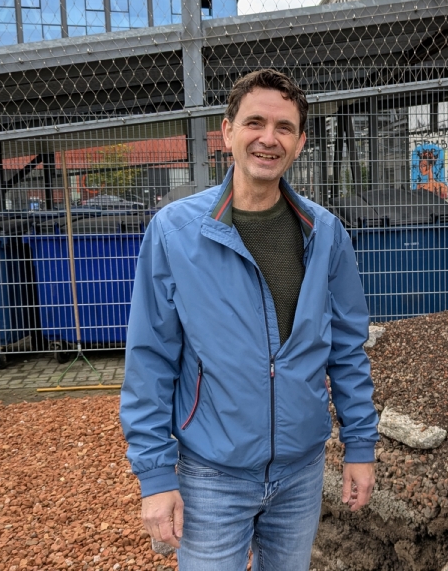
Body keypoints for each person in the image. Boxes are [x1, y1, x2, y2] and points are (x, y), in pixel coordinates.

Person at [120, 69, 379, 571]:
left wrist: (360, 445)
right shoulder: (176, 233)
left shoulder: (325, 234)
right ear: (227, 132)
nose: (268, 138)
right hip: (211, 474)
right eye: (254, 122)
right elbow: (150, 358)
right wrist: (155, 478)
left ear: (300, 142)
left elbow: (347, 348)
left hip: (301, 471)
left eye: (284, 127)